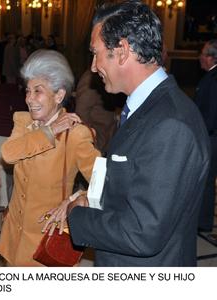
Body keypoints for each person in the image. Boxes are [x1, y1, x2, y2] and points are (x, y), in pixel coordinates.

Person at [46, 0, 210, 266]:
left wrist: (77, 215)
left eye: (95, 53)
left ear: (121, 51)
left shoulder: (171, 124)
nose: (93, 66)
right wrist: (91, 197)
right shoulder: (146, 107)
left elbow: (142, 232)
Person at [0, 49, 100, 266]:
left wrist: (75, 199)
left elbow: (104, 182)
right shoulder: (23, 122)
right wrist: (48, 131)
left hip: (46, 240)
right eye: (27, 91)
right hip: (15, 233)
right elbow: (8, 154)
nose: (29, 99)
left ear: (59, 95)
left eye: (38, 91)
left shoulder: (75, 134)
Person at [195, 39, 217, 235]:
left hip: (211, 139)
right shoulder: (211, 76)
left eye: (202, 54)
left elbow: (210, 115)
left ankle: (203, 222)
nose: (199, 58)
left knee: (206, 180)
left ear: (210, 57)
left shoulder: (213, 79)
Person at [74, 67, 122, 154]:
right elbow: (81, 114)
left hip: (107, 140)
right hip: (97, 143)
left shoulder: (103, 76)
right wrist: (91, 143)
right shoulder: (90, 79)